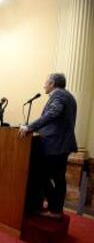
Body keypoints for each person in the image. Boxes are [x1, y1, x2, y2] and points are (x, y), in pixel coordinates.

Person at [19, 73, 77, 219]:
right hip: (61, 144)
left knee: (42, 175)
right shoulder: (68, 96)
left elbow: (53, 114)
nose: (44, 85)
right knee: (58, 178)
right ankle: (56, 208)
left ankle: (54, 208)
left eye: (46, 82)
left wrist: (30, 127)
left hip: (55, 145)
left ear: (52, 83)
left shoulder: (58, 96)